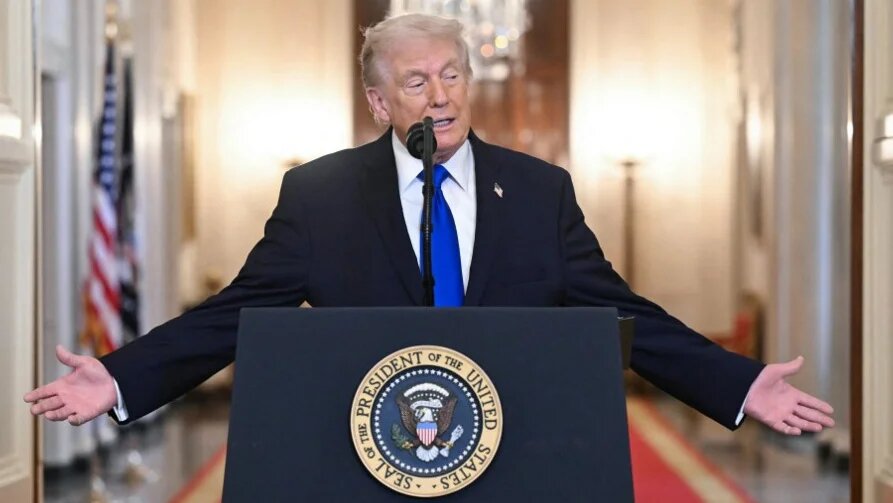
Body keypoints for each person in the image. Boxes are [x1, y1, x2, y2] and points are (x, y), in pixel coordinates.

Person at [26, 14, 834, 436]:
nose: (439, 94)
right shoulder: (319, 195)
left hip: (515, 439)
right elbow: (237, 314)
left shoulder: (539, 190)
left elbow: (619, 314)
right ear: (380, 103)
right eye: (415, 80)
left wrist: (736, 381)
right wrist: (123, 375)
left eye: (451, 74)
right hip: (367, 441)